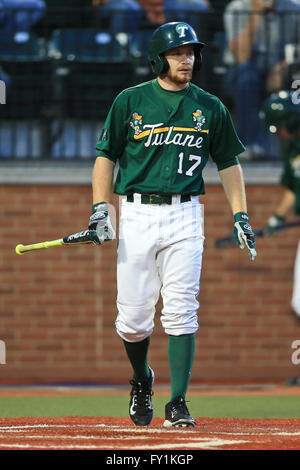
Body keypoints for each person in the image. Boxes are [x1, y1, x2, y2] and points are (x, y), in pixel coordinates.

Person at [88, 21, 257, 428]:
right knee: (132, 321)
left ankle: (178, 401)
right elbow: (105, 156)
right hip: (138, 212)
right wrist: (100, 208)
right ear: (157, 58)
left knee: (182, 311)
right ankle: (142, 378)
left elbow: (229, 162)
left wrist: (241, 214)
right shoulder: (130, 100)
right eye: (178, 53)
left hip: (185, 213)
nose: (188, 59)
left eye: (192, 52)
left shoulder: (210, 106)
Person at [223, 0, 300, 159]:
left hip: (281, 69)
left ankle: (293, 149)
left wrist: (283, 67)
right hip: (241, 72)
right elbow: (241, 56)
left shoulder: (294, 8)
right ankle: (248, 145)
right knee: (248, 76)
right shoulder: (236, 8)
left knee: (296, 78)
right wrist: (255, 13)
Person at [261, 90, 300, 320]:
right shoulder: (295, 150)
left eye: (280, 127)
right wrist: (276, 218)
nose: (279, 134)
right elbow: (293, 191)